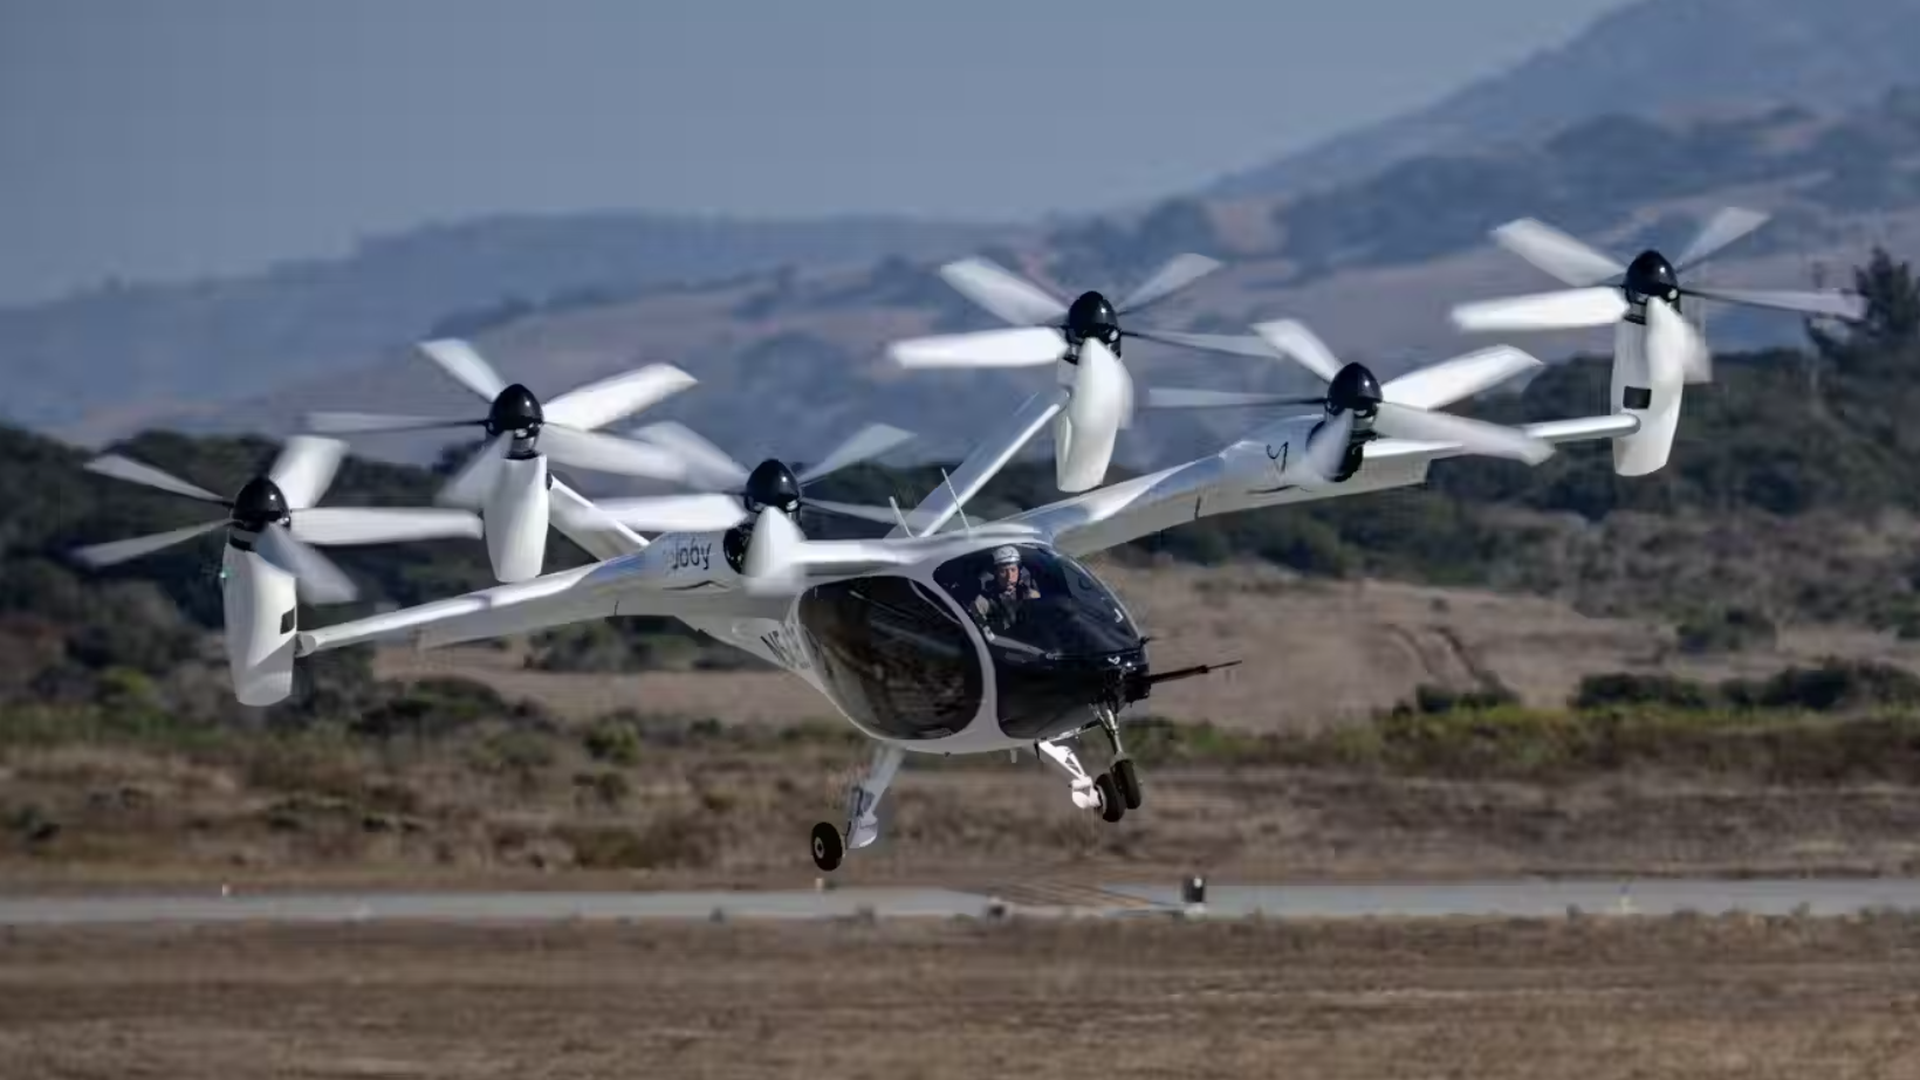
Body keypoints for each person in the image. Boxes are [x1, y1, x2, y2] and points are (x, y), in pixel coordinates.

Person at [972, 545, 1039, 632]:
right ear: (995, 573)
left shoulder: (1028, 594)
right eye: (1003, 571)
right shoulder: (983, 601)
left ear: (1019, 571)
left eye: (1013, 570)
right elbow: (980, 633)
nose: (1009, 577)